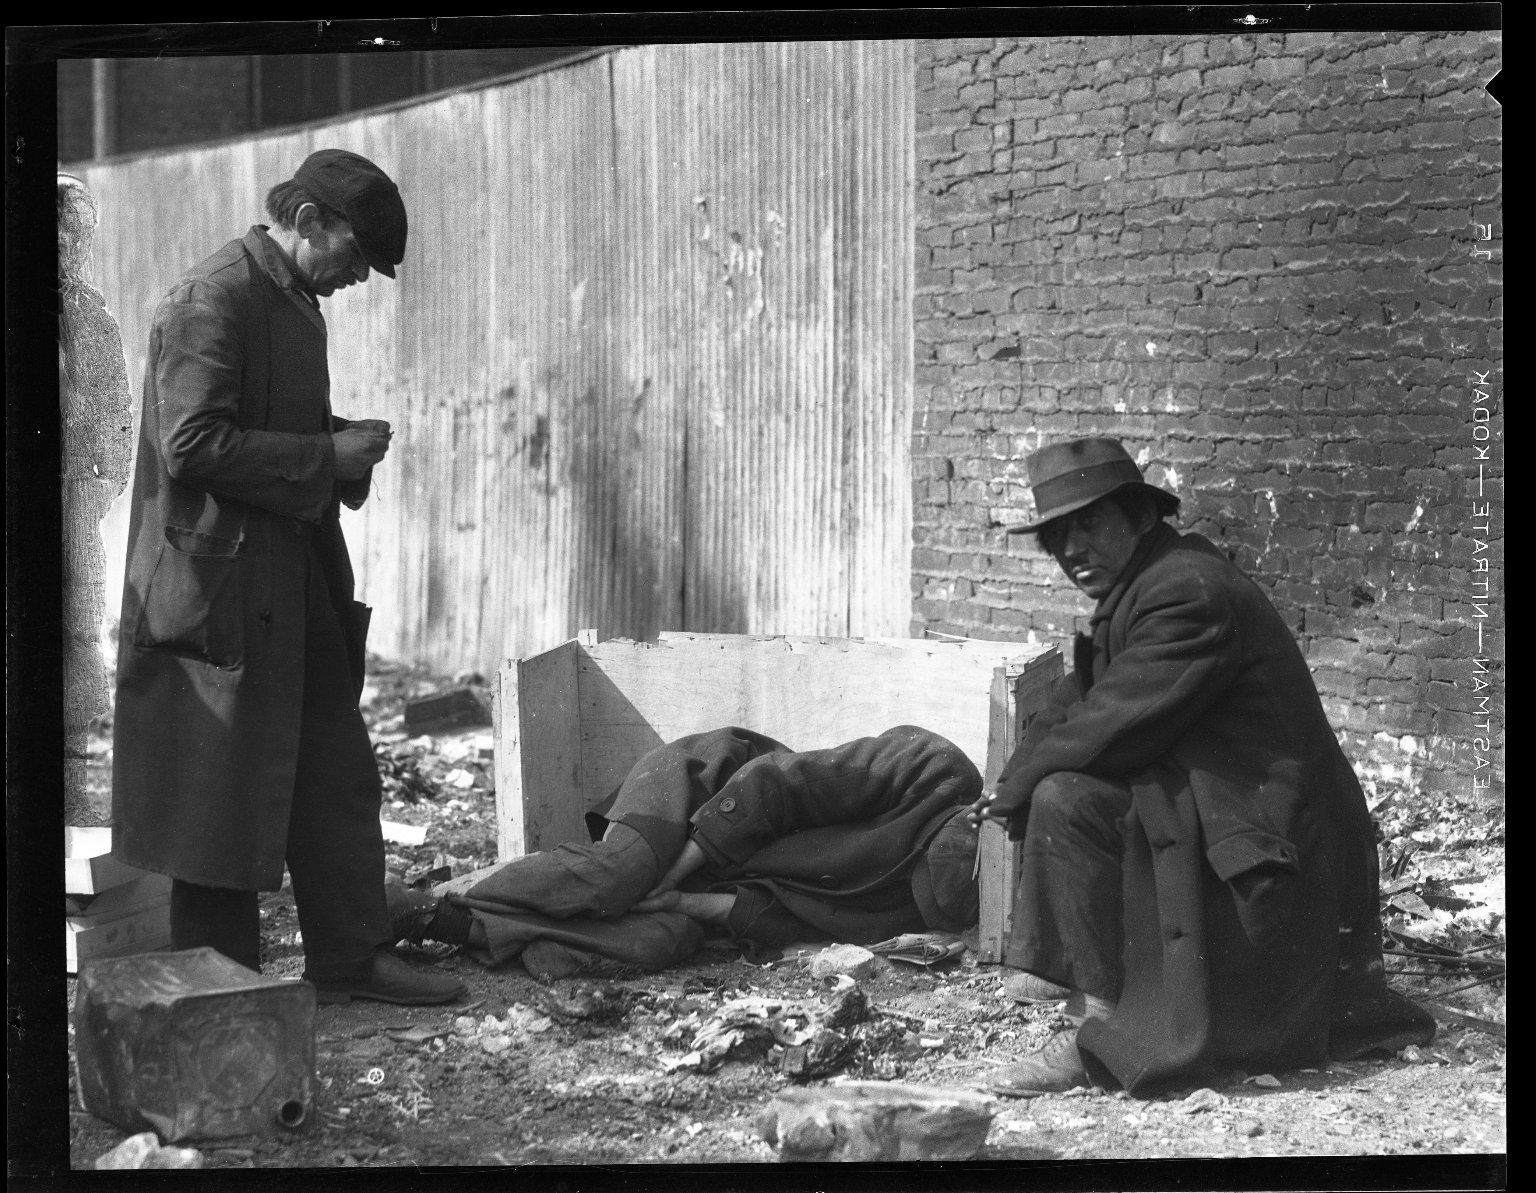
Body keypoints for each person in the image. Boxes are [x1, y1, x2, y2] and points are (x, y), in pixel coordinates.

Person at [970, 437, 1433, 1097]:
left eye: (1089, 524)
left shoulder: (1186, 592)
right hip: (1232, 823)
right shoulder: (1145, 587)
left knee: (1065, 797)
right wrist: (1006, 781)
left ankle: (1096, 1029)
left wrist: (1015, 791)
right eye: (1057, 535)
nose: (1072, 550)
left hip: (1278, 856)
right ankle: (1087, 973)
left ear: (1138, 515)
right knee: (1060, 786)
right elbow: (1079, 699)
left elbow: (1111, 723)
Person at [111, 149, 465, 1005]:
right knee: (219, 799)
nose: (357, 278)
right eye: (353, 255)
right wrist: (324, 453)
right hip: (216, 598)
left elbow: (257, 426)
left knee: (336, 771)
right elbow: (191, 444)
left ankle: (350, 957)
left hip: (291, 582)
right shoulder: (212, 298)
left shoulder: (291, 296)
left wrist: (339, 446)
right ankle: (222, 993)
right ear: (307, 222)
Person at [386, 725, 983, 979]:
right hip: (701, 791)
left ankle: (441, 920)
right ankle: (436, 894)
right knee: (618, 875)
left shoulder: (918, 914)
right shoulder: (932, 769)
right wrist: (666, 875)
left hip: (717, 875)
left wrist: (674, 902)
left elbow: (771, 918)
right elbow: (772, 787)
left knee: (656, 939)